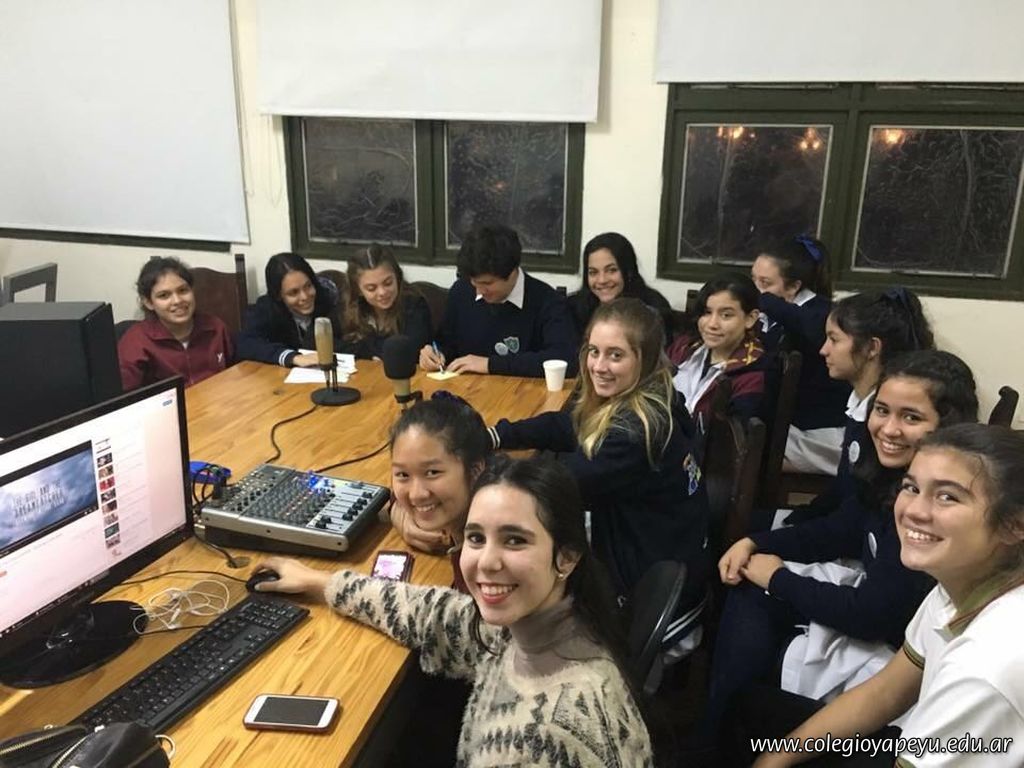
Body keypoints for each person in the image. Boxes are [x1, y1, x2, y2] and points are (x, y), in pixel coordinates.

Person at [253, 455, 654, 767]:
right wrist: (319, 582)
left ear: (566, 557)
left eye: (515, 540)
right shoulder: (545, 628)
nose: (486, 562)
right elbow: (434, 613)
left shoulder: (540, 739)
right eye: (476, 538)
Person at [706, 350, 979, 744]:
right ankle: (720, 729)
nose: (889, 428)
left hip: (902, 669)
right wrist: (756, 543)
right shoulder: (889, 477)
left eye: (911, 417)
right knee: (750, 593)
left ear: (947, 426)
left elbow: (874, 616)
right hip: (880, 623)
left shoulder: (926, 515)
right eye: (882, 410)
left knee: (754, 642)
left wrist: (779, 579)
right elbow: (840, 529)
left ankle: (723, 734)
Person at [751, 423, 1024, 768]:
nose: (913, 511)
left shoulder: (985, 666)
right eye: (911, 487)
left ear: (1014, 525)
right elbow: (886, 693)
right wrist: (773, 760)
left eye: (947, 496)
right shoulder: (958, 584)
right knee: (753, 715)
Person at [488, 298, 709, 643]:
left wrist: (487, 474)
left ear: (645, 358)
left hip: (656, 609)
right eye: (594, 351)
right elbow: (568, 424)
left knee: (518, 566)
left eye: (615, 355)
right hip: (657, 557)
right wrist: (498, 434)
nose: (599, 366)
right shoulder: (651, 394)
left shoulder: (637, 431)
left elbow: (554, 486)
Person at [784, 286, 935, 527]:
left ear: (872, 348)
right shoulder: (859, 402)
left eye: (834, 340)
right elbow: (841, 494)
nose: (823, 350)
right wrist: (796, 521)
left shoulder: (884, 427)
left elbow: (856, 518)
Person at [418, 224, 578, 378]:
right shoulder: (462, 291)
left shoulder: (547, 301)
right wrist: (435, 354)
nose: (479, 291)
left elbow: (565, 360)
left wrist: (489, 364)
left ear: (512, 272)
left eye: (487, 283)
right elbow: (446, 343)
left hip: (523, 393)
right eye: (474, 283)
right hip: (467, 390)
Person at [752, 236, 850, 475]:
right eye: (753, 279)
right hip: (787, 420)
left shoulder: (821, 313)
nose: (757, 289)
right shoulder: (775, 311)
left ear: (794, 286)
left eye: (765, 283)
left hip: (817, 427)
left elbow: (805, 327)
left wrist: (761, 300)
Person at [386, 396, 491, 592]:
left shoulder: (488, 557)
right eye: (403, 474)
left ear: (475, 471)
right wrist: (397, 510)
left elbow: (458, 610)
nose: (416, 494)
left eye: (432, 473)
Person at [667, 272, 772, 434]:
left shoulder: (753, 376)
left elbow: (731, 442)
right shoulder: (684, 347)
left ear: (750, 318)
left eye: (726, 315)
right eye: (707, 312)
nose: (712, 324)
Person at [117, 256, 233, 390]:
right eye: (164, 295)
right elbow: (126, 397)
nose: (177, 301)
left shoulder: (215, 328)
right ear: (148, 302)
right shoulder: (136, 342)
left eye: (183, 290)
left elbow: (233, 374)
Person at [237, 252, 341, 367]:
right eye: (294, 292)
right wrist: (291, 357)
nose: (305, 297)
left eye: (308, 286)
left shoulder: (327, 300)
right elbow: (245, 344)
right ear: (278, 295)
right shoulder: (266, 309)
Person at [567, 232, 672, 339]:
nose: (602, 280)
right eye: (593, 272)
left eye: (611, 270)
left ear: (629, 271)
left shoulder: (653, 310)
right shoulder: (574, 309)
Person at [338, 244, 432, 359]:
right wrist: (367, 351)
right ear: (358, 290)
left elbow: (409, 350)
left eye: (388, 283)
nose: (382, 292)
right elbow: (326, 342)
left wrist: (360, 348)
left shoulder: (414, 305)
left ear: (397, 277)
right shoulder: (348, 305)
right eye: (371, 288)